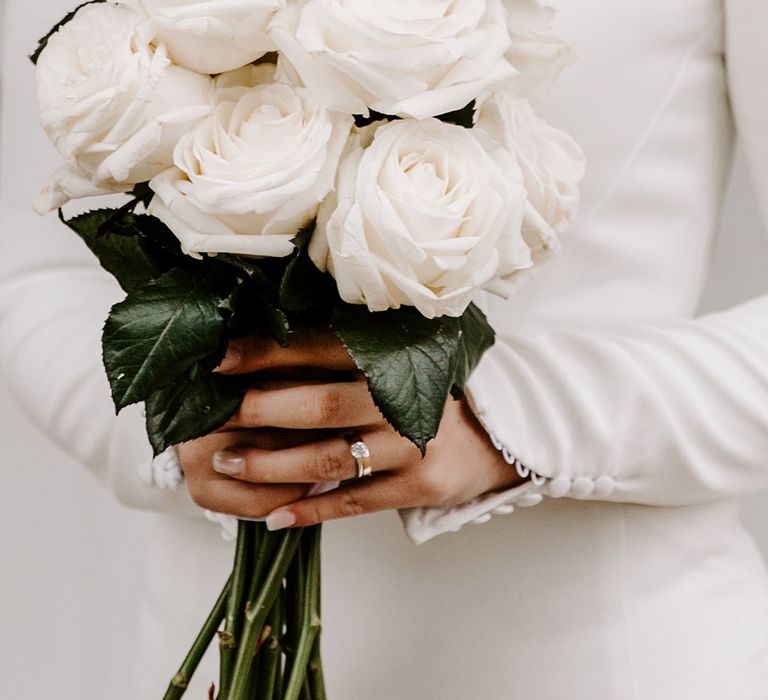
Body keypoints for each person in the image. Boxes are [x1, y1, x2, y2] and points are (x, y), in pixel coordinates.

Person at [2, 0, 768, 697]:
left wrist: (502, 419)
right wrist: (177, 422)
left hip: (606, 658)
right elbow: (28, 267)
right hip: (215, 643)